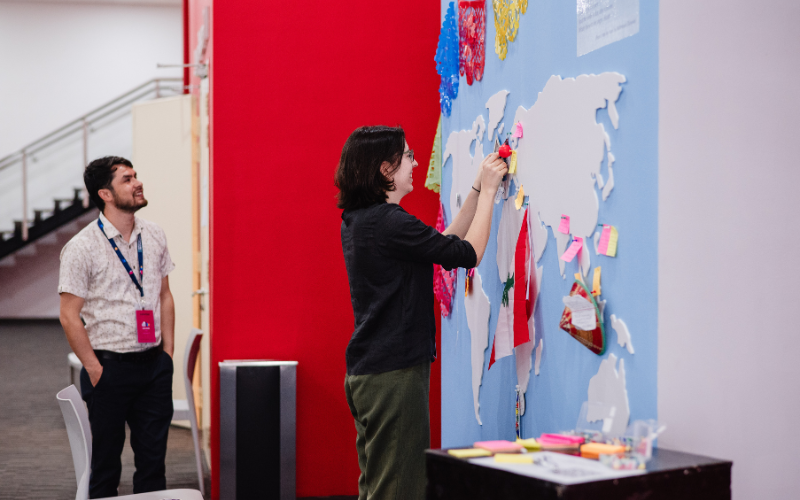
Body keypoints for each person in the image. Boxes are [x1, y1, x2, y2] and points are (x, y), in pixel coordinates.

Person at [336, 125, 507, 499]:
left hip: (370, 372)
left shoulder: (363, 220)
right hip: (393, 374)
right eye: (408, 157)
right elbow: (468, 254)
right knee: (401, 489)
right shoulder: (388, 222)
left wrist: (478, 188)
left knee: (378, 487)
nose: (415, 164)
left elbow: (446, 245)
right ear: (385, 169)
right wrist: (492, 192)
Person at [58, 156, 176, 497]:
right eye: (127, 179)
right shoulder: (81, 247)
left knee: (153, 465)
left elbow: (165, 296)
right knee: (106, 467)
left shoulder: (154, 234)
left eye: (136, 176)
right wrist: (95, 369)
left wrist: (167, 354)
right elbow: (69, 314)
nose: (137, 182)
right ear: (105, 194)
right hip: (108, 369)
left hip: (153, 366)